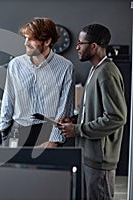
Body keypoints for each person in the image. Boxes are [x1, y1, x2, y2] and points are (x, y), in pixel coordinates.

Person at [58, 24, 127, 200]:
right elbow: (96, 112)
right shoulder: (95, 70)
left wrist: (77, 130)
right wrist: (74, 120)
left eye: (81, 43)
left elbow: (116, 117)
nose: (77, 47)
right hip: (88, 157)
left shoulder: (106, 73)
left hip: (99, 162)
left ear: (94, 46)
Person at [0, 17, 75, 147]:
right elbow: (8, 99)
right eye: (26, 38)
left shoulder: (65, 67)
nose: (26, 43)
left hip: (48, 134)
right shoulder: (15, 65)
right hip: (17, 131)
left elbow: (65, 108)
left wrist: (54, 141)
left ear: (47, 41)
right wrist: (4, 130)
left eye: (31, 39)